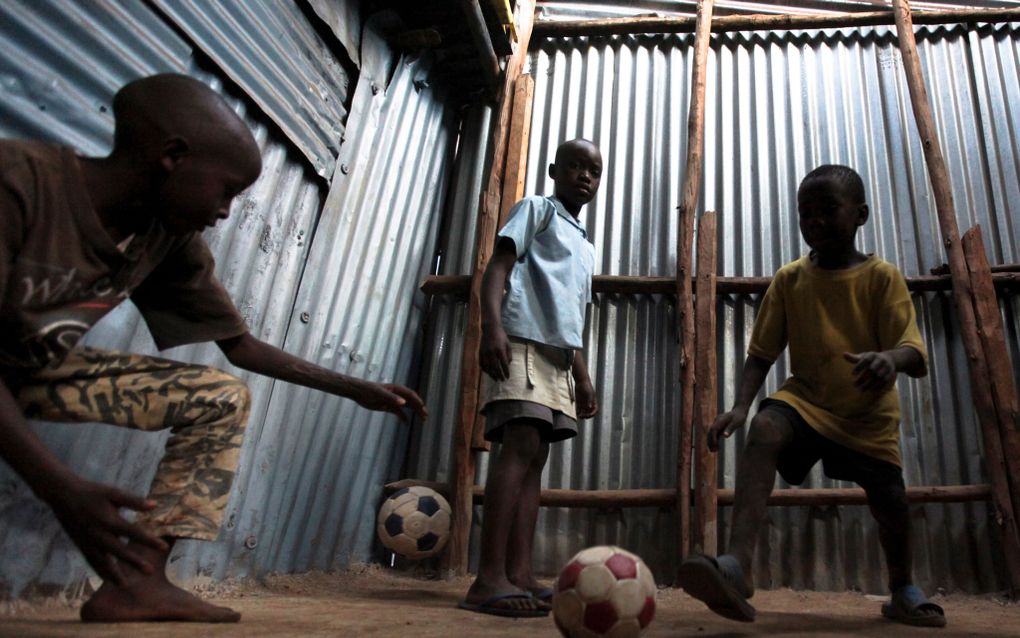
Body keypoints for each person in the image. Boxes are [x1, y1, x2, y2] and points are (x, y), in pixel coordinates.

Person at [0, 73, 427, 623]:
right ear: (173, 156)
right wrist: (58, 486)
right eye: (226, 189)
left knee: (220, 397)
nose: (226, 210)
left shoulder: (165, 235)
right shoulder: (20, 182)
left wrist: (357, 389)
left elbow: (241, 346)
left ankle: (139, 584)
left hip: (29, 374)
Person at [678, 165, 946, 628]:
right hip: (807, 403)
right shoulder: (790, 279)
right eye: (806, 213)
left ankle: (902, 586)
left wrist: (890, 359)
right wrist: (741, 407)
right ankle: (737, 565)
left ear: (860, 214)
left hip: (867, 419)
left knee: (892, 504)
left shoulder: (882, 278)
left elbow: (914, 352)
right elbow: (761, 353)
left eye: (827, 210)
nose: (815, 221)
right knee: (766, 425)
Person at [458, 139, 602, 617]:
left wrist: (582, 376)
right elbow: (497, 268)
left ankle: (518, 572)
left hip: (557, 358)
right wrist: (490, 326)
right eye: (576, 166)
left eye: (594, 170)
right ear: (554, 170)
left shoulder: (584, 244)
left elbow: (572, 317)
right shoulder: (536, 208)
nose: (585, 175)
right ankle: (487, 578)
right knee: (518, 447)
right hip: (518, 340)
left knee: (536, 457)